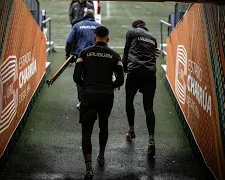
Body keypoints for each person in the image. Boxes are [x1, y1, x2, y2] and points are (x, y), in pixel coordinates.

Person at [73, 26, 124, 180]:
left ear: (94, 38)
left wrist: (87, 87)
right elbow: (121, 80)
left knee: (86, 131)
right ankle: (101, 155)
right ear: (107, 39)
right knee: (104, 125)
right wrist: (109, 87)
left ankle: (88, 168)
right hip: (106, 96)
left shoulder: (84, 53)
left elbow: (76, 77)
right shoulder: (115, 56)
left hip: (88, 96)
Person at [122, 20, 160, 157]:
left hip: (135, 71)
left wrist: (123, 70)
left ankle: (131, 130)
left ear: (135, 26)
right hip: (150, 73)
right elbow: (154, 55)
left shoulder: (132, 32)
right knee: (149, 107)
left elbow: (126, 51)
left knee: (129, 101)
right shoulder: (152, 37)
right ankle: (151, 140)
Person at [65, 9, 101, 109]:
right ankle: (94, 101)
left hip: (81, 57)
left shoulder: (77, 25)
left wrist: (67, 54)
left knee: (79, 79)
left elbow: (69, 41)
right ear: (93, 16)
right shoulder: (99, 26)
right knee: (94, 79)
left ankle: (82, 102)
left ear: (84, 15)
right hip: (96, 56)